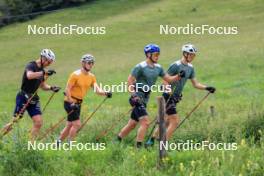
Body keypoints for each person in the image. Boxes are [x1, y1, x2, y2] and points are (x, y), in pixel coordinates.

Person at [117, 44, 185, 148]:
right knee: (145, 122)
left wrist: (179, 76)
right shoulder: (140, 67)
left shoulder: (158, 67)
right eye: (156, 54)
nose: (158, 56)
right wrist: (133, 96)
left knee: (132, 124)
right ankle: (138, 148)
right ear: (148, 54)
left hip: (145, 97)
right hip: (137, 96)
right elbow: (129, 81)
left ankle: (117, 141)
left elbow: (169, 79)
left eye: (159, 54)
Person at [146, 43, 216, 146]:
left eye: (193, 55)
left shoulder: (191, 68)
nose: (192, 57)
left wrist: (207, 88)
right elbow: (165, 81)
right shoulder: (176, 65)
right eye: (190, 54)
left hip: (175, 97)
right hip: (168, 96)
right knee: (174, 121)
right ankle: (163, 145)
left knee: (166, 121)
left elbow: (195, 84)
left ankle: (151, 141)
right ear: (184, 54)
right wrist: (169, 92)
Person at [4, 49, 61, 140]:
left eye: (50, 63)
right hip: (23, 97)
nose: (49, 65)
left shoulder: (42, 70)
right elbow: (29, 75)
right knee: (14, 121)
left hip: (33, 98)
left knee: (38, 122)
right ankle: (1, 135)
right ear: (43, 58)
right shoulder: (31, 65)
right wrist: (43, 73)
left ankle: (30, 145)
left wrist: (51, 88)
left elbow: (42, 86)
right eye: (48, 62)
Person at [58, 54, 112, 142]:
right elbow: (67, 89)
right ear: (83, 63)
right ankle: (69, 144)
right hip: (69, 102)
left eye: (92, 63)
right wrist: (71, 102)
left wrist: (105, 93)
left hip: (78, 103)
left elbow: (97, 90)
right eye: (89, 63)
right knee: (77, 124)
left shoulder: (91, 76)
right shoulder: (75, 75)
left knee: (69, 125)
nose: (91, 65)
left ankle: (58, 143)